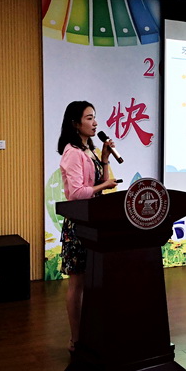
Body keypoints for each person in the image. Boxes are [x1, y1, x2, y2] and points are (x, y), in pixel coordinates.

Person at [57, 101, 119, 353]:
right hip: (79, 224)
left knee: (93, 280)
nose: (95, 123)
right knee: (78, 282)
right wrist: (104, 186)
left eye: (95, 117)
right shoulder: (72, 152)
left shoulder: (90, 150)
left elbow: (103, 183)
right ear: (75, 123)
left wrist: (104, 159)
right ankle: (76, 339)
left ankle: (92, 333)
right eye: (89, 118)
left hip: (94, 222)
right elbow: (76, 193)